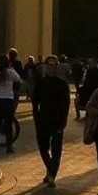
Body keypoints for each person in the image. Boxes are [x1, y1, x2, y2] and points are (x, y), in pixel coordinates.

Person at [31, 53, 71, 185]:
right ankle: (50, 168)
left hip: (57, 120)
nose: (53, 67)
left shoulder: (62, 84)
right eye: (50, 64)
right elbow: (34, 101)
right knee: (43, 147)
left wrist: (64, 119)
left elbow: (66, 103)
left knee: (56, 149)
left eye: (56, 64)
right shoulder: (41, 83)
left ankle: (52, 175)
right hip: (43, 119)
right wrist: (36, 116)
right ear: (45, 66)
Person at [0, 57, 21, 153]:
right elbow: (18, 78)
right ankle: (9, 146)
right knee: (8, 124)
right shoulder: (10, 72)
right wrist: (11, 68)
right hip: (8, 100)